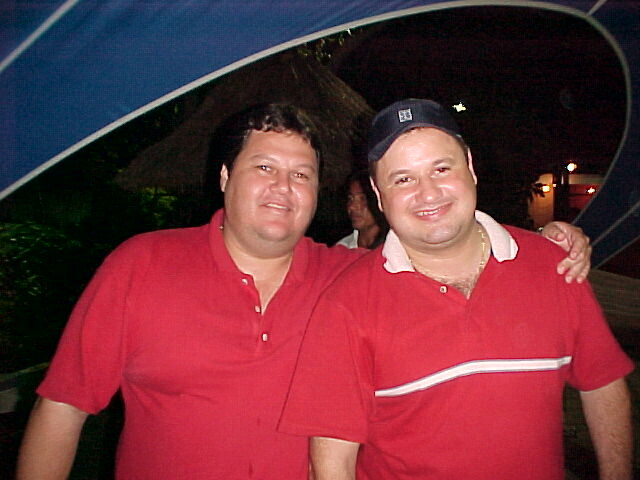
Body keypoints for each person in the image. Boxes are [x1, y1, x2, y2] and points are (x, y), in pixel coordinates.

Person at [17, 102, 592, 479]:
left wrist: (547, 242)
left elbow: (443, 251)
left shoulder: (349, 278)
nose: (283, 187)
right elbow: (62, 409)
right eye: (264, 168)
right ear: (225, 177)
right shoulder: (141, 265)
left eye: (301, 174)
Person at [279, 99, 633, 479]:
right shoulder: (346, 303)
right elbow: (331, 461)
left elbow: (603, 384)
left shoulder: (553, 265)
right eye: (403, 179)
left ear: (470, 167)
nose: (428, 193)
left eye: (441, 169)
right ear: (379, 196)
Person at [337, 169, 389, 249]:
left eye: (362, 199)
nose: (352, 207)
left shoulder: (396, 248)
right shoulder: (342, 248)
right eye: (350, 199)